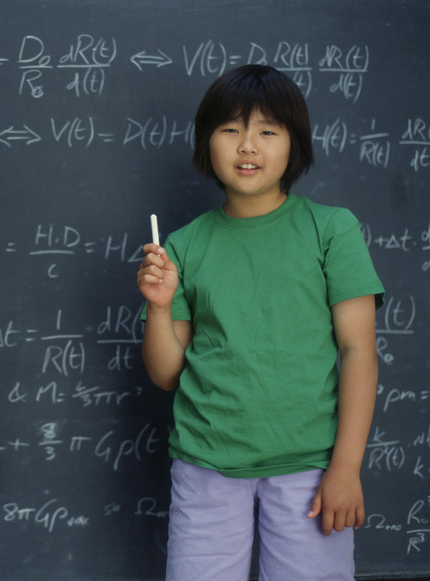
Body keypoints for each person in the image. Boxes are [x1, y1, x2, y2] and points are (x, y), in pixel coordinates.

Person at [136, 64, 384, 581]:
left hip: (310, 467)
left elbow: (358, 350)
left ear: (295, 144)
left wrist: (345, 467)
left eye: (267, 131)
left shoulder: (331, 230)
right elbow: (165, 374)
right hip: (206, 464)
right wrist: (160, 305)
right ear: (208, 144)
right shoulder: (183, 245)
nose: (248, 146)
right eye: (231, 130)